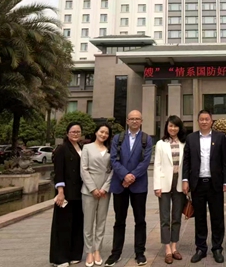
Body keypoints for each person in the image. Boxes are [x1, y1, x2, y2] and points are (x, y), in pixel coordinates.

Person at [105, 110, 153, 267]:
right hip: (120, 185)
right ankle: (115, 253)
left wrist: (132, 177)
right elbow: (113, 159)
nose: (134, 121)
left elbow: (145, 162)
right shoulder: (118, 138)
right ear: (127, 121)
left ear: (141, 121)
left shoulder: (146, 139)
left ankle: (140, 253)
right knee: (119, 220)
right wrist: (125, 175)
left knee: (140, 220)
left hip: (138, 186)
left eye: (137, 119)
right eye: (132, 118)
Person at [182, 109, 226, 264]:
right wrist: (185, 180)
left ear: (211, 121)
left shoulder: (220, 137)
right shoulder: (191, 138)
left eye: (206, 119)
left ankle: (217, 248)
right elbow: (186, 161)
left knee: (217, 217)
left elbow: (225, 161)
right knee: (200, 218)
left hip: (215, 184)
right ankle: (201, 248)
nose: (204, 121)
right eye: (201, 119)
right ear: (198, 121)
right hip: (197, 184)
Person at [153, 115, 187, 264]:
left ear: (179, 128)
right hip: (164, 183)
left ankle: (174, 247)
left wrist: (187, 183)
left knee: (177, 217)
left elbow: (187, 165)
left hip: (180, 182)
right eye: (170, 126)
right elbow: (157, 165)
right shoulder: (161, 144)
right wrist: (157, 186)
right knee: (165, 218)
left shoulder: (184, 143)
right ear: (167, 127)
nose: (173, 128)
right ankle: (167, 248)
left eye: (175, 126)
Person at [50, 122, 85, 267]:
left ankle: (75, 254)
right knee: (63, 224)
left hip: (79, 192)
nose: (75, 134)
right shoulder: (62, 149)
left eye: (78, 131)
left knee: (77, 223)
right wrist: (60, 192)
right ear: (67, 133)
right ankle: (60, 258)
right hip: (66, 192)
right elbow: (58, 172)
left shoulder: (81, 148)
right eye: (73, 131)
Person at [80, 124, 114, 267]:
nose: (103, 135)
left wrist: (105, 188)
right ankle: (89, 251)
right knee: (88, 223)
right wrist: (93, 188)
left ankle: (97, 250)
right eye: (101, 132)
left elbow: (112, 170)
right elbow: (84, 169)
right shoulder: (87, 148)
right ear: (96, 132)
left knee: (101, 222)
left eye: (106, 133)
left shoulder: (110, 149)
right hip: (89, 191)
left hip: (105, 191)